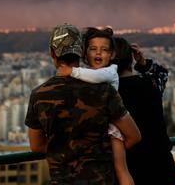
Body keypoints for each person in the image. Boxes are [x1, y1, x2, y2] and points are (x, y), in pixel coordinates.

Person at [24, 23, 141, 184]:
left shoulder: (39, 95)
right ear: (81, 52)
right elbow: (134, 135)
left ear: (52, 53)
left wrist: (69, 149)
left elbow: (36, 146)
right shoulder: (104, 90)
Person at [58, 27, 135, 185]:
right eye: (93, 49)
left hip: (113, 130)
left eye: (104, 50)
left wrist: (72, 71)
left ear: (112, 55)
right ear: (85, 53)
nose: (98, 53)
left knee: (121, 170)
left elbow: (96, 76)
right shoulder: (89, 74)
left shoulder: (110, 71)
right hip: (99, 131)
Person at [114, 37, 175, 185]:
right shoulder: (151, 84)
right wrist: (142, 62)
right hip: (163, 166)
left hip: (130, 168)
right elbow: (162, 74)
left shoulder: (108, 93)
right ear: (130, 59)